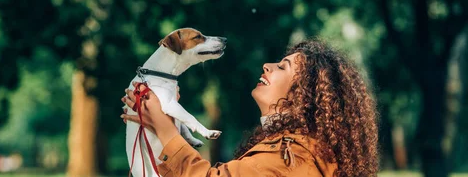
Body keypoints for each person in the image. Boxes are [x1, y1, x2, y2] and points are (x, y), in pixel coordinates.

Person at [121, 40, 379, 176]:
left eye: (283, 67)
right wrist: (163, 119)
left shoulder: (290, 158)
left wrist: (166, 129)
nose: (268, 65)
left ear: (304, 96)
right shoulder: (288, 148)